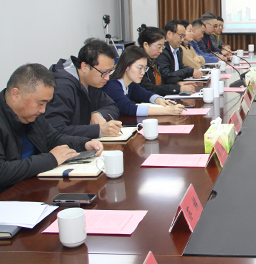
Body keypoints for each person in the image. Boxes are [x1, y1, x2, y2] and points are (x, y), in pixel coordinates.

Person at [0, 64, 103, 193]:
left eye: (46, 104)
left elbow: (53, 138)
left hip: (33, 189)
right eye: (40, 103)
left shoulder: (33, 116)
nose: (43, 110)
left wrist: (84, 144)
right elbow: (2, 171)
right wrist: (51, 159)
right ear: (16, 94)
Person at [46, 38, 122, 139]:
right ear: (84, 67)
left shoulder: (91, 81)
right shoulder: (62, 87)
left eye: (110, 72)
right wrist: (98, 131)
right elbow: (56, 130)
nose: (107, 78)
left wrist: (98, 114)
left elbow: (112, 106)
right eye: (104, 73)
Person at [103, 46, 185, 117]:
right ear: (126, 67)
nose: (143, 72)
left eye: (145, 68)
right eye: (140, 68)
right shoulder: (112, 85)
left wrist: (160, 100)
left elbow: (145, 94)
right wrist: (168, 111)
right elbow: (128, 108)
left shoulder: (130, 84)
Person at [138, 25, 196, 95]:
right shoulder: (138, 63)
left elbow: (165, 77)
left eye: (162, 47)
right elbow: (150, 88)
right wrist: (178, 88)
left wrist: (178, 82)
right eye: (158, 46)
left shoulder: (153, 61)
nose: (161, 51)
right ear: (146, 45)